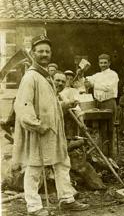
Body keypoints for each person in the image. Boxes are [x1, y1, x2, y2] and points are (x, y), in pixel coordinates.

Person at [13, 35, 89, 216]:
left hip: (54, 131)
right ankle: (34, 207)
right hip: (39, 131)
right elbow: (23, 105)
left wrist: (64, 105)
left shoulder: (47, 77)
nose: (44, 54)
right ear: (33, 53)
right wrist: (35, 125)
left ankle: (67, 199)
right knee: (34, 167)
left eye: (47, 51)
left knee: (62, 163)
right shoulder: (30, 77)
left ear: (51, 53)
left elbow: (49, 105)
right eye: (40, 51)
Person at [86, 54, 119, 120]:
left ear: (109, 63)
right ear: (98, 64)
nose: (103, 65)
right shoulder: (97, 75)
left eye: (105, 63)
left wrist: (93, 85)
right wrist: (81, 75)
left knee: (110, 127)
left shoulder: (113, 74)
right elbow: (88, 79)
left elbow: (107, 87)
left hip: (109, 103)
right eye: (101, 63)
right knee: (99, 127)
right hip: (98, 104)